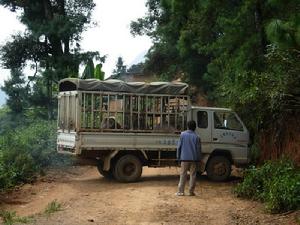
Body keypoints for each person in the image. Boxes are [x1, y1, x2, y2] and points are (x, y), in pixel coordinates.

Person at [176, 120, 201, 196]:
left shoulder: (182, 134)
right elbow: (198, 149)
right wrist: (198, 159)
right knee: (193, 175)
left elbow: (179, 147)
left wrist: (178, 157)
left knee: (183, 174)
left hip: (184, 158)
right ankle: (191, 192)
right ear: (195, 127)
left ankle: (181, 192)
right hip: (194, 159)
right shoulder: (197, 137)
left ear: (187, 126)